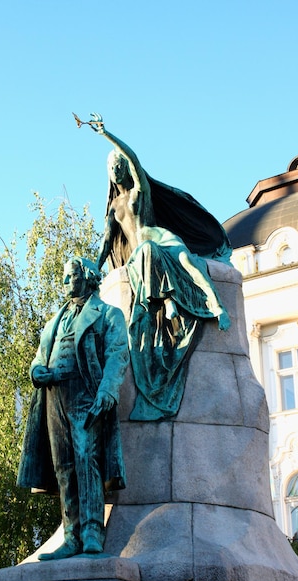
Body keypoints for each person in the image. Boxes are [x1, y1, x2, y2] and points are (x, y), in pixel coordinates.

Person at [76, 113, 232, 420]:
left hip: (159, 237)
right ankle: (168, 305)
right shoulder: (114, 207)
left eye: (118, 164)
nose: (116, 168)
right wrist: (95, 265)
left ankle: (217, 306)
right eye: (111, 166)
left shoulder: (139, 191)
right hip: (142, 252)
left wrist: (108, 135)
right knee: (146, 253)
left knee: (187, 260)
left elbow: (134, 160)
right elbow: (107, 241)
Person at [17, 257, 129, 559]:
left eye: (71, 276)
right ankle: (71, 535)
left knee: (86, 458)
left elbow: (118, 354)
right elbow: (40, 357)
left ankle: (92, 529)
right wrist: (37, 370)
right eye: (65, 277)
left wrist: (107, 390)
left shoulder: (107, 314)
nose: (66, 282)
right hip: (54, 395)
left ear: (88, 277)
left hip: (86, 393)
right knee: (63, 466)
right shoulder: (56, 320)